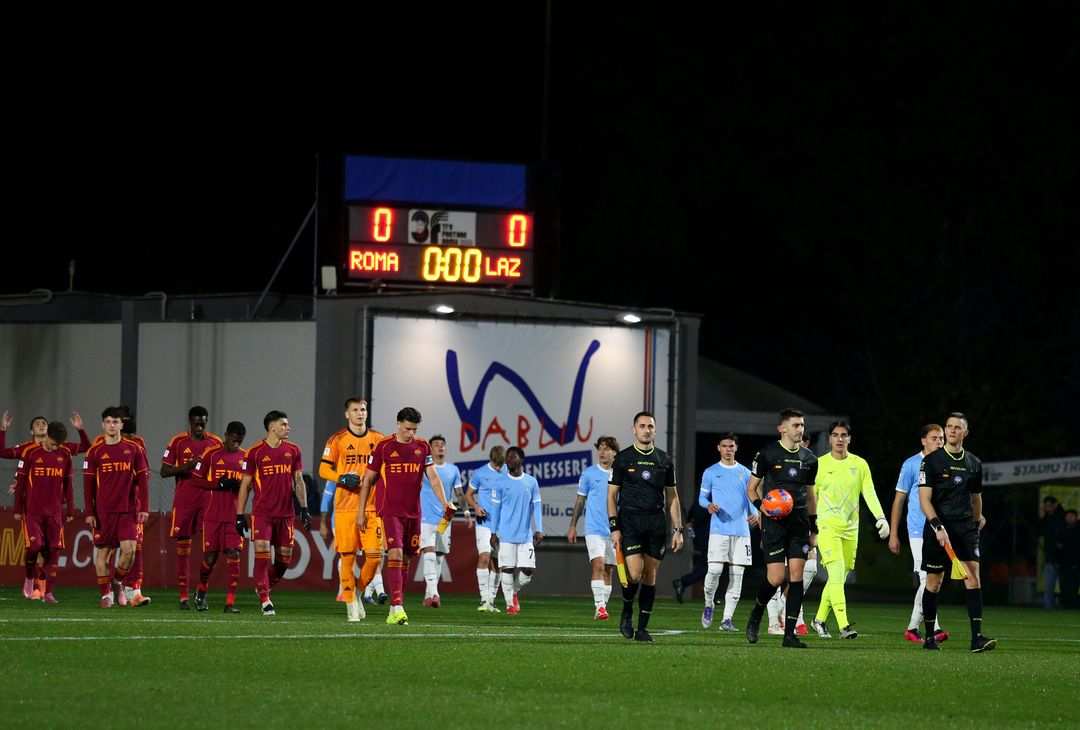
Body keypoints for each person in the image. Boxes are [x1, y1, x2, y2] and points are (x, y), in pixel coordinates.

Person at [357, 407, 448, 626]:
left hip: (413, 513)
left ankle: (394, 607)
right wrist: (361, 513)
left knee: (406, 559)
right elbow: (368, 480)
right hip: (390, 511)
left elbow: (433, 478)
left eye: (414, 430)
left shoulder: (422, 446)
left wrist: (445, 504)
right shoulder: (384, 447)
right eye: (408, 429)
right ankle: (397, 608)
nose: (411, 434)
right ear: (398, 424)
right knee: (395, 554)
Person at [918, 412, 995, 653]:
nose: (951, 431)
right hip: (939, 529)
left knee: (973, 578)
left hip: (965, 529)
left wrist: (976, 521)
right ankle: (930, 637)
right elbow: (924, 499)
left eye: (956, 427)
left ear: (965, 432)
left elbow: (976, 497)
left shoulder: (974, 463)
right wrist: (937, 526)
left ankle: (977, 638)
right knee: (934, 582)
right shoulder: (931, 462)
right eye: (948, 427)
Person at [744, 408, 818, 649]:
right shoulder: (767, 454)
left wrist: (814, 529)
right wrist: (762, 508)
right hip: (774, 525)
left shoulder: (809, 459)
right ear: (782, 428)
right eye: (796, 425)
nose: (800, 430)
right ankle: (756, 613)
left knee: (796, 577)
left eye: (802, 425)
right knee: (776, 578)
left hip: (799, 525)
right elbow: (751, 489)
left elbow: (810, 495)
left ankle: (789, 635)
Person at [608, 411, 684, 643]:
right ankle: (627, 610)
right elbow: (611, 496)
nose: (646, 430)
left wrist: (678, 530)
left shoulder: (664, 460)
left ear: (655, 429)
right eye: (642, 426)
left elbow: (672, 497)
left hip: (655, 523)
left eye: (650, 426)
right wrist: (614, 527)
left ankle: (642, 629)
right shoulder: (622, 459)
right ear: (634, 429)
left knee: (650, 577)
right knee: (634, 574)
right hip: (630, 522)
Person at [810, 421, 890, 639]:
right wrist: (811, 526)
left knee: (838, 579)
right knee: (836, 575)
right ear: (829, 439)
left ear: (849, 439)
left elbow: (869, 492)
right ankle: (844, 625)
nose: (839, 439)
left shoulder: (860, 464)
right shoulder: (819, 464)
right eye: (835, 435)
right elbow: (811, 497)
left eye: (843, 435)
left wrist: (881, 518)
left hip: (851, 530)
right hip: (827, 527)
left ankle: (818, 620)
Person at [2, 409, 90, 598]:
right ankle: (32, 582)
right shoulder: (28, 450)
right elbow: (10, 463)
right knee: (35, 547)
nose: (41, 424)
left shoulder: (62, 448)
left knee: (50, 550)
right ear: (32, 431)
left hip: (54, 509)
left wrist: (81, 429)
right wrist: (3, 430)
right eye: (37, 423)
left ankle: (44, 590)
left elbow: (70, 480)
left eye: (44, 422)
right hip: (32, 507)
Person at [236, 410, 311, 616]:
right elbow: (246, 485)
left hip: (286, 515)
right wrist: (239, 514)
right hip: (262, 514)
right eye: (284, 424)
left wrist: (303, 508)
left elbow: (298, 480)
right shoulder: (254, 452)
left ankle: (264, 586)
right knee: (262, 557)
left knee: (284, 561)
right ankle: (265, 600)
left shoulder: (294, 450)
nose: (288, 428)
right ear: (272, 427)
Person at [318, 397, 385, 621]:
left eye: (363, 409)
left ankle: (356, 593)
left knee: (374, 557)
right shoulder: (337, 439)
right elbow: (323, 469)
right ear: (347, 414)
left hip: (371, 507)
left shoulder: (378, 439)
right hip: (346, 507)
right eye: (355, 410)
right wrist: (341, 477)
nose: (360, 413)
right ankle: (350, 605)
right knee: (347, 558)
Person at [84, 407, 150, 608]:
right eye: (108, 422)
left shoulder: (134, 449)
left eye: (116, 422)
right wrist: (89, 512)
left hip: (128, 509)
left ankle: (118, 583)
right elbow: (88, 486)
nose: (112, 425)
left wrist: (144, 508)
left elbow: (144, 480)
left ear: (121, 425)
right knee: (102, 555)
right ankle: (106, 594)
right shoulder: (94, 451)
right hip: (104, 511)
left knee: (129, 551)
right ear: (103, 424)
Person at [889, 424, 948, 642]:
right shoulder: (912, 464)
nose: (939, 442)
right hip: (917, 529)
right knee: (927, 577)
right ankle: (935, 628)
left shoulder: (946, 463)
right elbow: (899, 499)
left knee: (931, 579)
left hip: (939, 529)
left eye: (941, 438)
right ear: (923, 440)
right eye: (934, 438)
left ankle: (913, 628)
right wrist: (894, 533)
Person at [161, 406, 222, 609]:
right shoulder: (178, 442)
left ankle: (201, 590)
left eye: (202, 423)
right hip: (185, 501)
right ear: (189, 421)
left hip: (208, 501)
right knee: (183, 550)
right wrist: (186, 467)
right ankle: (183, 597)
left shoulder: (215, 443)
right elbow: (164, 471)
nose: (199, 427)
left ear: (206, 422)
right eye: (196, 423)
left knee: (211, 549)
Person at [696, 432, 757, 632]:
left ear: (736, 448)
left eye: (731, 446)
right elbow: (702, 499)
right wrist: (709, 506)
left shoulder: (746, 473)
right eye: (724, 446)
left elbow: (751, 497)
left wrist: (755, 513)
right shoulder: (711, 472)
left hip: (741, 532)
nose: (728, 450)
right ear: (718, 448)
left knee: (737, 575)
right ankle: (708, 603)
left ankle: (727, 619)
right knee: (714, 571)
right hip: (719, 530)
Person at [13, 420, 75, 603]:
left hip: (55, 513)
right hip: (33, 512)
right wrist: (18, 508)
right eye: (54, 443)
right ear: (47, 436)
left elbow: (68, 485)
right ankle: (29, 577)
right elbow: (21, 483)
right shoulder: (30, 452)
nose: (56, 447)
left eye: (59, 444)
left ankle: (48, 592)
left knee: (54, 551)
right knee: (34, 547)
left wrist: (70, 509)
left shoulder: (65, 454)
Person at [190, 422, 247, 613]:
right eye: (233, 440)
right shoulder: (211, 454)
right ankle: (202, 589)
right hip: (212, 516)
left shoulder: (245, 458)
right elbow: (195, 480)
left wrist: (241, 487)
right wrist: (218, 484)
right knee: (210, 559)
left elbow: (250, 485)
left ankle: (230, 603)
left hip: (233, 515)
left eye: (240, 441)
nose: (236, 445)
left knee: (234, 553)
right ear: (226, 435)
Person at [567, 435, 619, 619]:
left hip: (613, 530)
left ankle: (602, 606)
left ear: (614, 452)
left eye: (606, 449)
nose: (602, 452)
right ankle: (600, 607)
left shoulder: (620, 475)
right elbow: (580, 500)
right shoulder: (589, 473)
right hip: (593, 528)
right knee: (598, 564)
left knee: (609, 569)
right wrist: (573, 526)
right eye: (600, 448)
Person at [489, 446, 542, 614]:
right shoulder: (500, 483)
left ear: (521, 459)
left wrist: (538, 529)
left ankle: (514, 591)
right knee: (507, 569)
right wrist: (493, 532)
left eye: (513, 457)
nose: (509, 460)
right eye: (508, 457)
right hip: (506, 535)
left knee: (528, 570)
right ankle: (509, 604)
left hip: (525, 536)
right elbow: (495, 510)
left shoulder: (531, 482)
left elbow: (537, 507)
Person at [420, 434, 465, 608]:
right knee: (429, 552)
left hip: (445, 518)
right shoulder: (424, 468)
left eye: (442, 444)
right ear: (430, 449)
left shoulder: (453, 470)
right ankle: (435, 594)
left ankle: (428, 594)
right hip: (425, 517)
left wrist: (466, 511)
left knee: (438, 557)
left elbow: (459, 492)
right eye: (436, 444)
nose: (440, 447)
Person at [465, 445, 507, 611]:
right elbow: (469, 494)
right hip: (484, 522)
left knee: (498, 563)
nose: (498, 468)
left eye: (500, 465)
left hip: (502, 525)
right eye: (496, 464)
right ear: (491, 460)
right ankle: (484, 599)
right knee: (484, 556)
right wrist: (475, 507)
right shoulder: (480, 473)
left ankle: (491, 599)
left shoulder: (508, 472)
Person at [672, 502, 711, 606]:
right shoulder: (709, 492)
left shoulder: (704, 492)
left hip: (704, 535)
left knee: (706, 565)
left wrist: (690, 521)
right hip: (707, 536)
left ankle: (710, 596)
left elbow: (693, 512)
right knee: (710, 567)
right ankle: (683, 582)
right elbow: (699, 512)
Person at [1039, 495, 1067, 609]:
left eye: (1049, 506)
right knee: (1049, 587)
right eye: (1046, 507)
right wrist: (1041, 519)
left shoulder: (1062, 517)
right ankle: (1048, 608)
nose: (1047, 509)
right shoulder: (1046, 518)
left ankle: (1065, 607)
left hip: (1064, 559)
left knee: (1065, 586)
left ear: (1055, 505)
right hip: (1050, 557)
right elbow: (1038, 532)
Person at [1060, 510, 1079, 609]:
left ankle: (1074, 607)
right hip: (1064, 564)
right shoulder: (1063, 529)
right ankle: (1066, 607)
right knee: (1064, 587)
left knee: (1073, 587)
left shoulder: (1078, 529)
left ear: (1076, 517)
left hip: (1076, 563)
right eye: (1067, 516)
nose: (1069, 518)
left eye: (1071, 516)